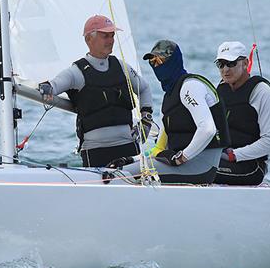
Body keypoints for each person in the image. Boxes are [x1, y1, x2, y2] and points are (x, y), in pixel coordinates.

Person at [38, 15, 153, 167]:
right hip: (96, 152)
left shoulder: (121, 66)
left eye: (112, 36)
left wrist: (146, 121)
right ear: (88, 39)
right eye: (105, 36)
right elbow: (54, 86)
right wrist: (46, 88)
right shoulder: (76, 72)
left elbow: (144, 88)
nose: (111, 40)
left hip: (128, 147)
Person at [142, 39, 230, 184]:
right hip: (184, 164)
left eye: (160, 61)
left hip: (200, 167)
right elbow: (160, 146)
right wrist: (137, 159)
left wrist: (181, 158)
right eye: (153, 62)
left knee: (126, 175)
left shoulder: (190, 87)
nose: (156, 66)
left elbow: (208, 129)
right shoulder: (170, 94)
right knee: (122, 168)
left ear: (174, 61)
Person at [214, 41, 270, 186]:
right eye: (221, 64)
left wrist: (234, 155)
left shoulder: (261, 91)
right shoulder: (221, 89)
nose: (225, 69)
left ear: (245, 63)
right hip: (222, 159)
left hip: (251, 167)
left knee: (203, 170)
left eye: (230, 63)